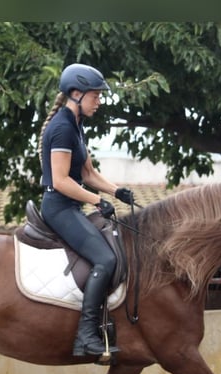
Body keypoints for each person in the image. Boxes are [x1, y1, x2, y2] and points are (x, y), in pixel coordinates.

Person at [38, 63, 134, 358]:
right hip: (59, 208)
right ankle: (85, 335)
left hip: (72, 205)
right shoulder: (63, 128)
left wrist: (116, 190)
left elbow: (89, 174)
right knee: (104, 258)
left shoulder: (76, 126)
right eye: (96, 96)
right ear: (76, 94)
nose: (100, 102)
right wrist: (95, 201)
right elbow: (61, 180)